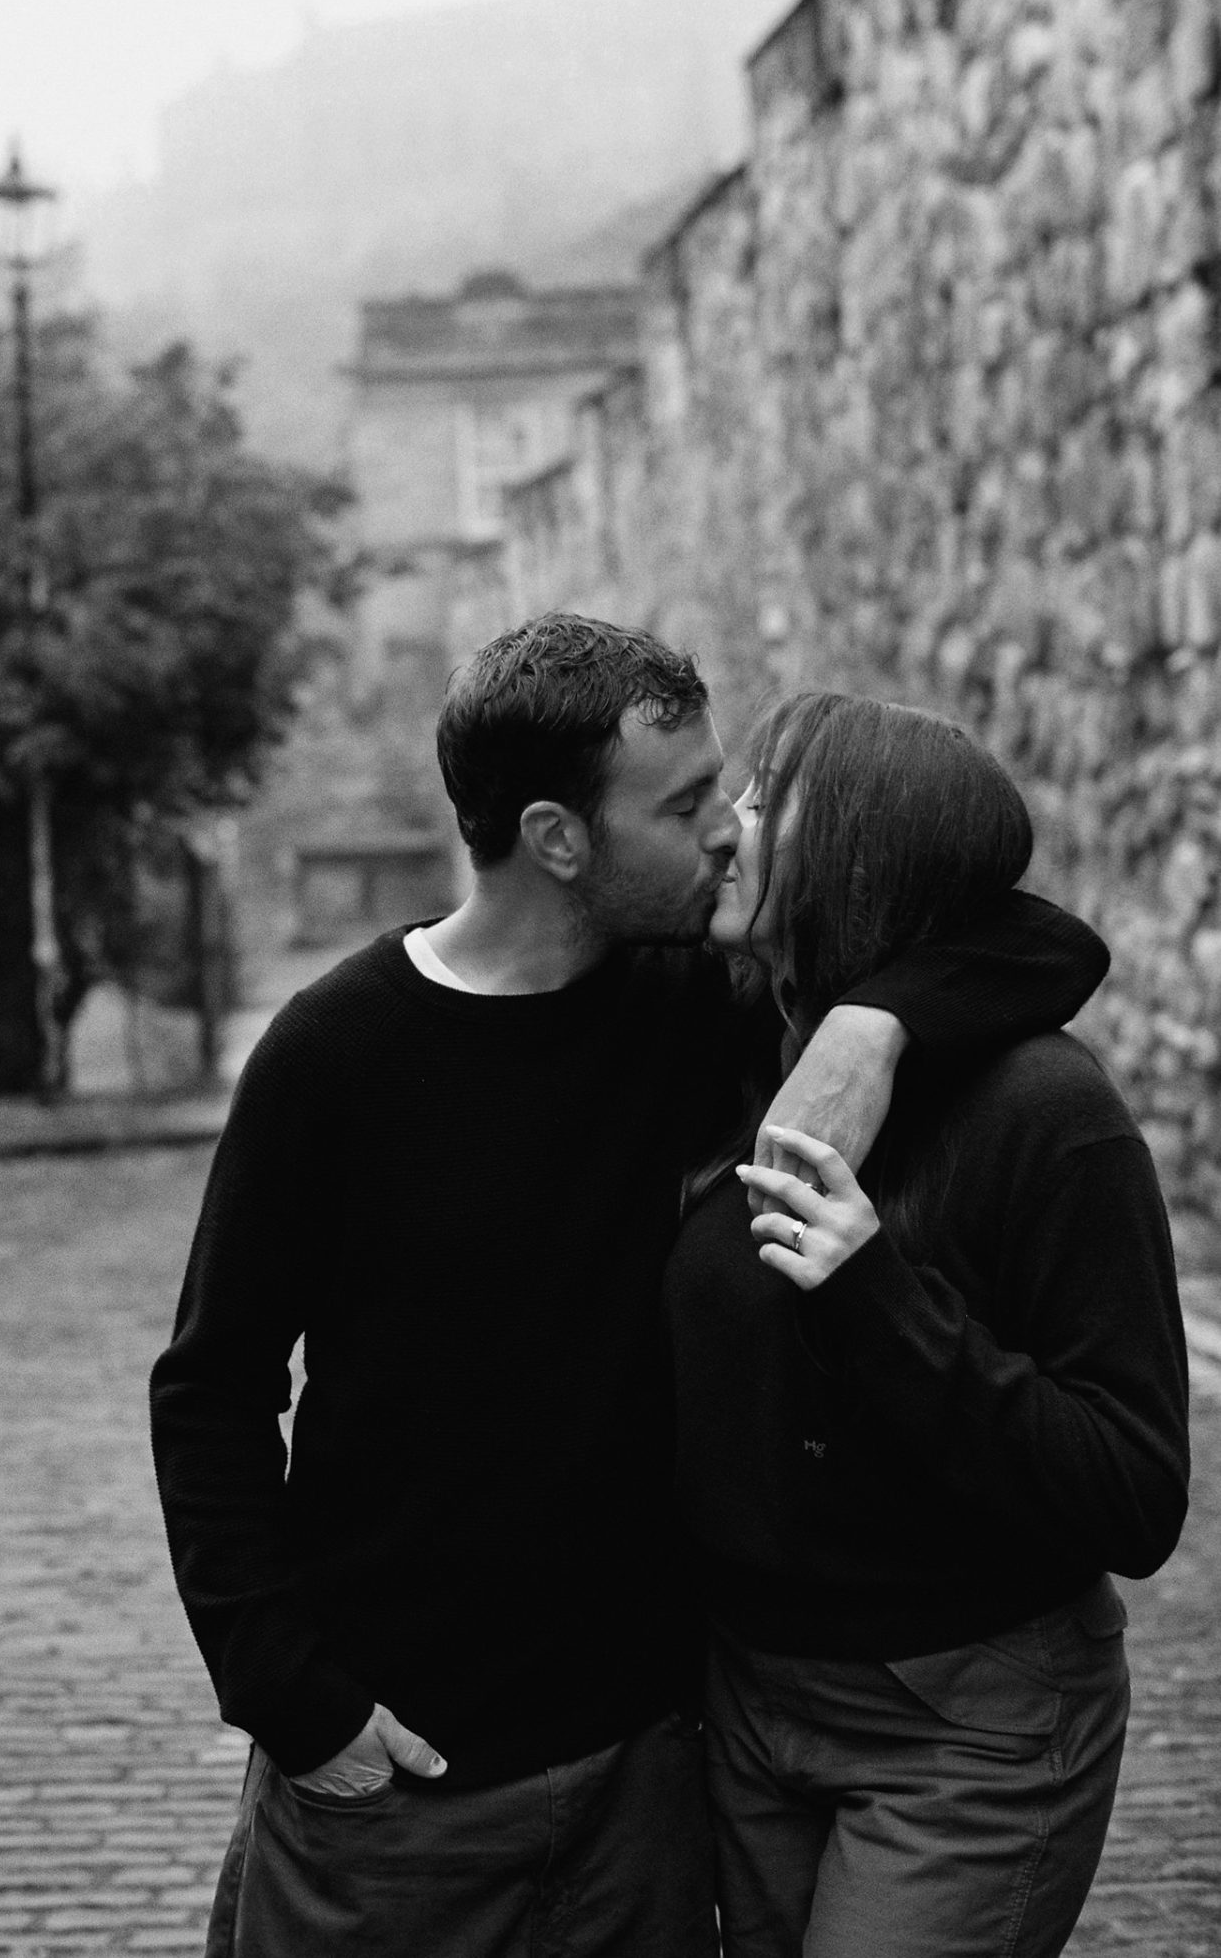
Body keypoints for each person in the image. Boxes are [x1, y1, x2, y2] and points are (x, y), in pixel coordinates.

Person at [151, 616, 1108, 1958]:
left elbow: (1041, 944)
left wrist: (873, 1023)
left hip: (647, 1778)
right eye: (683, 801)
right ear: (557, 835)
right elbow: (213, 1383)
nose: (726, 827)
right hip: (399, 1781)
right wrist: (292, 1700)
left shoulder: (692, 1000)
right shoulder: (335, 1051)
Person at [667, 690, 1191, 1958]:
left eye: (760, 798)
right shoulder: (744, 1036)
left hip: (965, 1721)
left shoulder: (1045, 1109)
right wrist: (870, 1016)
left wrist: (876, 1297)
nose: (726, 830)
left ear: (856, 847)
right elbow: (1053, 937)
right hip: (747, 1702)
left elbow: (1135, 1493)